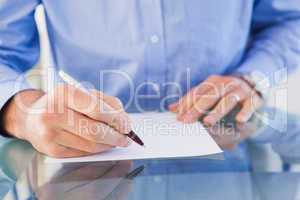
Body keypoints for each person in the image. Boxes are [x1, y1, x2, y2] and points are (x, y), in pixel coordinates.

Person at [0, 0, 299, 158]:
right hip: (85, 171)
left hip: (227, 150)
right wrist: (22, 115)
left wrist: (250, 78)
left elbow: (288, 19)